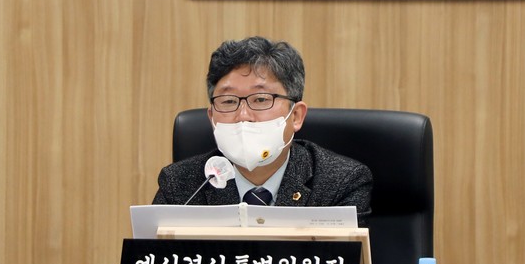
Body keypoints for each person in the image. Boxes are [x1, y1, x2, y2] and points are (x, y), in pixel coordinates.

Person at [152, 36, 372, 225]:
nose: (243, 115)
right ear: (211, 118)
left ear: (296, 116)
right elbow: (146, 261)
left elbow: (343, 262)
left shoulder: (339, 183)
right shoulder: (180, 185)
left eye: (260, 99)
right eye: (228, 101)